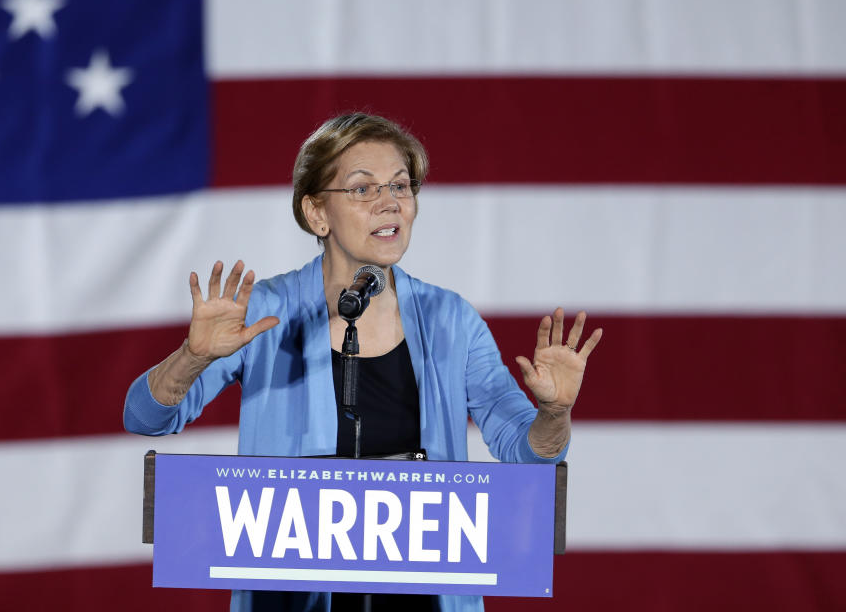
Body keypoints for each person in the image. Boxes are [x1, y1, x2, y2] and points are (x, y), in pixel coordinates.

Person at [124, 113, 602, 612]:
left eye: (401, 185)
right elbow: (145, 418)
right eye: (362, 188)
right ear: (316, 214)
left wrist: (554, 414)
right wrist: (192, 357)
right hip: (290, 598)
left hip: (426, 598)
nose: (390, 201)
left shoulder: (450, 320)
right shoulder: (265, 311)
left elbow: (527, 455)